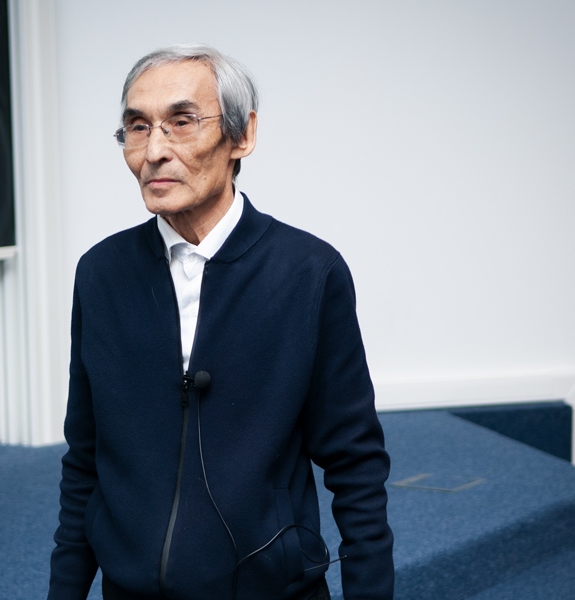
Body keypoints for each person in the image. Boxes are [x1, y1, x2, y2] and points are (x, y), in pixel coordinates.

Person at [49, 44, 393, 600]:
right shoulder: (100, 274)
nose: (154, 151)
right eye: (137, 127)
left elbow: (355, 462)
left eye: (181, 122)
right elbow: (85, 460)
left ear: (242, 136)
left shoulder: (309, 272)